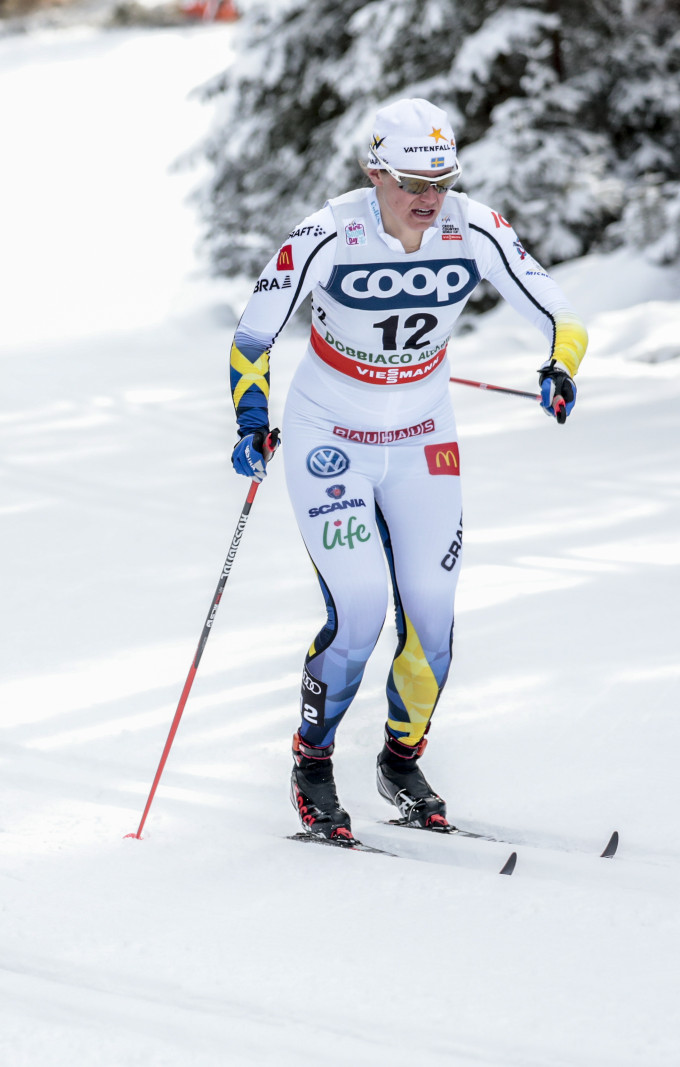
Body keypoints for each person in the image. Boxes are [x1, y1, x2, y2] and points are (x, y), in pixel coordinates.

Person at [225, 99, 586, 845]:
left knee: (433, 620)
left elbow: (565, 316)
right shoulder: (328, 234)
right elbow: (252, 336)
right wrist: (253, 420)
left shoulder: (472, 227)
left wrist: (561, 365)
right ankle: (313, 763)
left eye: (443, 180)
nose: (430, 197)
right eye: (414, 180)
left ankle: (400, 760)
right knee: (359, 609)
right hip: (332, 438)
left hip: (425, 439)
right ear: (375, 171)